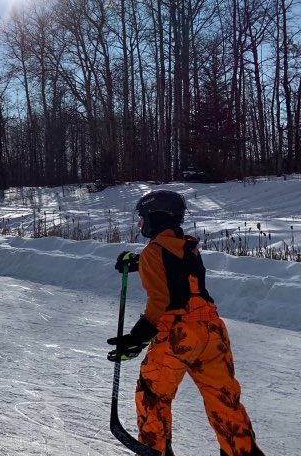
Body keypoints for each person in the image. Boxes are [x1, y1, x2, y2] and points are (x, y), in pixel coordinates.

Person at [108, 190, 265, 456]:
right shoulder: (188, 247)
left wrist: (137, 338)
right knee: (223, 399)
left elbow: (160, 300)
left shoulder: (153, 252)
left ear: (155, 218)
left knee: (152, 397)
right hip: (213, 332)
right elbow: (175, 268)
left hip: (178, 336)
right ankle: (243, 452)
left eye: (142, 218)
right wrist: (138, 262)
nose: (140, 224)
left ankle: (154, 450)